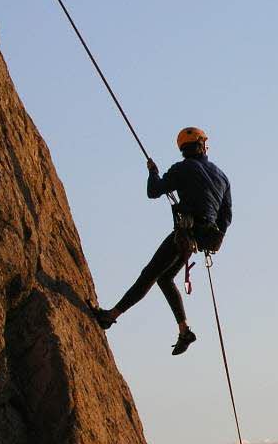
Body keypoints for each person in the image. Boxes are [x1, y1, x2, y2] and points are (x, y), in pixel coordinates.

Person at [93, 126, 232, 355]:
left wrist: (152, 172)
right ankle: (184, 330)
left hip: (185, 234)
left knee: (150, 274)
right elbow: (226, 216)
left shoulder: (182, 169)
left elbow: (154, 191)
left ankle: (111, 315)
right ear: (201, 145)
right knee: (165, 278)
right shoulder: (222, 177)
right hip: (202, 236)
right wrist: (215, 237)